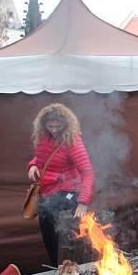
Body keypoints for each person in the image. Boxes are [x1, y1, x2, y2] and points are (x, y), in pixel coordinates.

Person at [28, 103, 95, 266]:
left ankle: (70, 267)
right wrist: (33, 165)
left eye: (58, 126)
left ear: (65, 124)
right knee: (47, 230)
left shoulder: (72, 141)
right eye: (50, 126)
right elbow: (41, 158)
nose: (54, 129)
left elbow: (88, 172)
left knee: (62, 232)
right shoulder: (43, 137)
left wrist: (83, 202)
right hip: (47, 191)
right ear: (43, 125)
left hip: (69, 191)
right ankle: (56, 266)